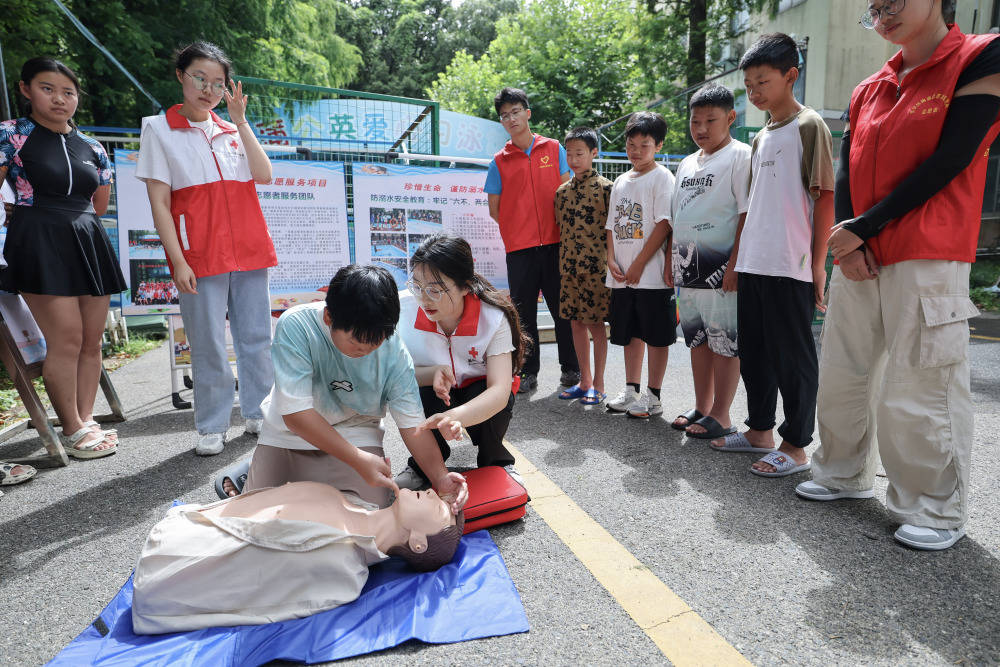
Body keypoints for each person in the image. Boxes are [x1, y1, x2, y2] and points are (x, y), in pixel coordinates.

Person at [797, 0, 1000, 551]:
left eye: (893, 2)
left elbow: (954, 156)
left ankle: (935, 509)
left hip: (928, 247)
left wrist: (864, 227)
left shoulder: (980, 56)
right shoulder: (871, 86)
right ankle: (841, 472)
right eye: (874, 8)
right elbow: (849, 167)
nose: (882, 14)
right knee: (845, 369)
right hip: (862, 244)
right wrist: (849, 235)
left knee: (921, 381)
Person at [229, 265, 467, 514]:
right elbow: (296, 416)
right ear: (329, 317)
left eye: (376, 342)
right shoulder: (297, 324)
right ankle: (251, 472)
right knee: (255, 519)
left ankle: (272, 475)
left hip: (356, 432)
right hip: (289, 433)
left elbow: (412, 425)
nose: (366, 350)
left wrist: (441, 478)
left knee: (366, 518)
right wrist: (357, 460)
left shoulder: (393, 348)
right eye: (356, 342)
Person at [137, 41, 276, 456]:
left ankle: (258, 412)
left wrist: (241, 122)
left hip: (249, 249)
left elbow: (264, 175)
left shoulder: (233, 128)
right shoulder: (157, 128)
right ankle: (212, 424)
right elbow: (159, 203)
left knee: (256, 337)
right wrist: (177, 259)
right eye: (200, 77)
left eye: (218, 82)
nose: (209, 88)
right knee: (208, 341)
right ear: (181, 75)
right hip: (199, 254)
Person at [710, 34, 835, 477]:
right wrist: (739, 261)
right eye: (748, 85)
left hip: (791, 264)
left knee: (793, 357)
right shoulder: (762, 136)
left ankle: (797, 445)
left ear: (791, 76)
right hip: (755, 263)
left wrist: (818, 265)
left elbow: (824, 198)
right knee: (757, 353)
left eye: (762, 81)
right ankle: (760, 431)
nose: (754, 92)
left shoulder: (809, 126)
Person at [0, 58, 128, 459]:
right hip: (38, 238)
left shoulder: (92, 146)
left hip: (89, 237)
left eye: (68, 92)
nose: (59, 99)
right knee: (66, 340)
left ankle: (84, 421)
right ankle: (71, 428)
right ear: (26, 90)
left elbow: (100, 204)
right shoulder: (11, 134)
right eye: (47, 88)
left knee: (92, 341)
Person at [132, 481, 463, 634]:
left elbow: (258, 583)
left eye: (435, 507)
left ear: (418, 543)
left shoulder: (343, 566)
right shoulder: (352, 500)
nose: (432, 492)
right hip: (182, 529)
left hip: (165, 566)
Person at [393, 234, 529, 489]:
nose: (424, 298)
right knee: (414, 393)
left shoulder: (493, 317)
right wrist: (430, 373)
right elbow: (393, 374)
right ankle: (424, 466)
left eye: (435, 289)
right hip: (433, 389)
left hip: (477, 391)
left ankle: (496, 462)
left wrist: (455, 417)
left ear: (465, 286)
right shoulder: (402, 310)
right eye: (418, 286)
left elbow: (500, 389)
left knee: (493, 397)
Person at [669, 84, 750, 440]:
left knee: (724, 342)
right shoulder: (687, 162)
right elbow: (678, 215)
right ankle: (702, 406)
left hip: (720, 269)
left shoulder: (740, 156)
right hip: (686, 269)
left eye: (710, 120)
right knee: (697, 340)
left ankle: (722, 413)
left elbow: (747, 214)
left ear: (731, 118)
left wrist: (734, 265)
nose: (701, 129)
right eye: (695, 121)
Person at [485, 87, 578, 393]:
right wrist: (519, 229)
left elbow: (567, 193)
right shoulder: (499, 161)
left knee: (562, 309)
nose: (510, 118)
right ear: (501, 122)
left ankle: (571, 368)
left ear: (527, 113)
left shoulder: (553, 148)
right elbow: (495, 209)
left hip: (555, 245)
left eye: (515, 112)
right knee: (523, 315)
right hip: (520, 250)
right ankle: (528, 372)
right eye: (504, 115)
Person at [604, 112, 677, 419]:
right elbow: (610, 226)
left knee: (656, 336)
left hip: (650, 277)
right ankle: (631, 389)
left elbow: (664, 225)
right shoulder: (621, 180)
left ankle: (654, 396)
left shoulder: (662, 178)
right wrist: (610, 258)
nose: (636, 150)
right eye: (631, 144)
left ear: (658, 145)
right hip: (621, 276)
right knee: (629, 333)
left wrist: (639, 264)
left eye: (644, 145)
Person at [554, 127, 613, 406]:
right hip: (568, 268)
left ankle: (599, 384)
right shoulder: (562, 192)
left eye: (580, 153)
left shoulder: (606, 188)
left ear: (593, 153)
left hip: (596, 269)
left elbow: (613, 231)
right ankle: (584, 381)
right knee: (575, 324)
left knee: (596, 325)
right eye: (569, 153)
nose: (574, 159)